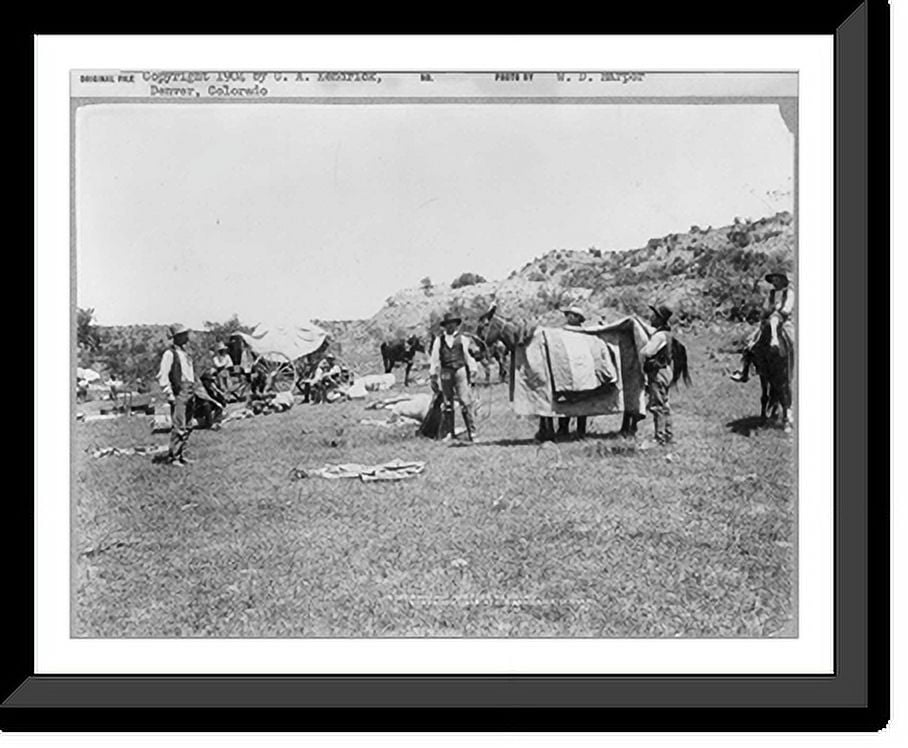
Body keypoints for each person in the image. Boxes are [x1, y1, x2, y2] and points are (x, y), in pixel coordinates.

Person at [730, 272, 794, 383]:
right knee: (749, 343)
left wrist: (777, 312)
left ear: (783, 280)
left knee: (794, 342)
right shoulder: (771, 293)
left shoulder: (789, 293)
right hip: (769, 321)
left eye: (777, 279)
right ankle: (744, 370)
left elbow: (787, 309)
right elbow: (765, 307)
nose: (775, 282)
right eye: (773, 280)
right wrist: (767, 312)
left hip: (784, 321)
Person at [428, 312, 480, 441]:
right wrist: (433, 375)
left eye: (452, 325)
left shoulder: (462, 339)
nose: (450, 327)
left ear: (456, 325)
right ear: (444, 327)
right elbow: (435, 359)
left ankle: (472, 432)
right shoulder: (439, 341)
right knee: (447, 402)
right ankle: (450, 432)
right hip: (446, 372)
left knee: (465, 401)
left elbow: (468, 356)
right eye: (448, 325)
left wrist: (473, 370)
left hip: (460, 370)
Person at [157, 323, 197, 466]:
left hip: (190, 390)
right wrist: (169, 393)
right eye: (184, 334)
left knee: (188, 424)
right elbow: (163, 376)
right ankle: (173, 457)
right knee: (179, 425)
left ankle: (181, 454)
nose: (187, 337)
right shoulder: (169, 354)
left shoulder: (187, 354)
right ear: (177, 337)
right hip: (179, 391)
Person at [640, 304, 675, 447]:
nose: (651, 317)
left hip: (657, 373)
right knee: (665, 405)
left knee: (657, 406)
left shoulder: (659, 336)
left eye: (654, 315)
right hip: (666, 370)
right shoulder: (667, 334)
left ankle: (659, 437)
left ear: (659, 319)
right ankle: (668, 435)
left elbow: (647, 352)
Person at [556, 305, 589, 440]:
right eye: (567, 314)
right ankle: (563, 429)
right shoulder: (561, 333)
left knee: (582, 401)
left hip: (582, 371)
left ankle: (581, 430)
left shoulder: (585, 334)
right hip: (567, 371)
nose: (567, 317)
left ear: (577, 318)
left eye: (570, 315)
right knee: (566, 400)